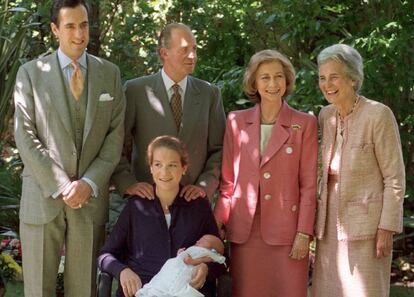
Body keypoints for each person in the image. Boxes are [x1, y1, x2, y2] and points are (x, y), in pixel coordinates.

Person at [13, 0, 125, 296]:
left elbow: (115, 138)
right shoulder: (30, 74)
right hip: (42, 196)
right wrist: (62, 185)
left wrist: (88, 182)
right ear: (55, 29)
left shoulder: (109, 74)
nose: (79, 34)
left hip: (89, 202)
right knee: (38, 290)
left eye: (84, 25)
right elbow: (24, 136)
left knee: (84, 290)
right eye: (70, 26)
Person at [214, 49, 318, 297]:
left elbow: (309, 185)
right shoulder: (236, 122)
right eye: (265, 78)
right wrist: (217, 225)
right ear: (254, 83)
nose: (273, 84)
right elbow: (228, 182)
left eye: (278, 76)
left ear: (287, 80)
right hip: (245, 231)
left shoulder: (304, 123)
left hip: (288, 232)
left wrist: (304, 232)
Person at [311, 44, 405, 297]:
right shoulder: (325, 115)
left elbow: (394, 177)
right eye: (322, 77)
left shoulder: (378, 115)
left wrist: (387, 228)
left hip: (368, 225)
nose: (327, 84)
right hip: (329, 223)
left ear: (353, 78)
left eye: (334, 76)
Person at [111, 22, 226, 201]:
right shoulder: (136, 90)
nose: (192, 56)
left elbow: (219, 149)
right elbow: (116, 144)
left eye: (195, 49)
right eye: (184, 49)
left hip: (192, 201)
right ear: (164, 53)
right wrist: (128, 183)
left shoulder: (209, 93)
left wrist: (204, 186)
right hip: (147, 200)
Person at [98, 136, 223, 297]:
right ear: (150, 167)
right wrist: (122, 271)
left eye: (172, 165)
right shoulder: (136, 206)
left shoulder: (198, 206)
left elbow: (220, 257)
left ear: (184, 168)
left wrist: (206, 268)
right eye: (158, 164)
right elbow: (106, 254)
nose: (164, 172)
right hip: (143, 289)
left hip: (186, 290)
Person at [136, 234, 225, 297]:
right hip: (164, 271)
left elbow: (221, 263)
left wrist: (204, 266)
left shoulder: (203, 251)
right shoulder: (203, 252)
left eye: (204, 240)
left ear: (213, 250)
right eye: (200, 238)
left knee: (168, 287)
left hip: (185, 275)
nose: (198, 240)